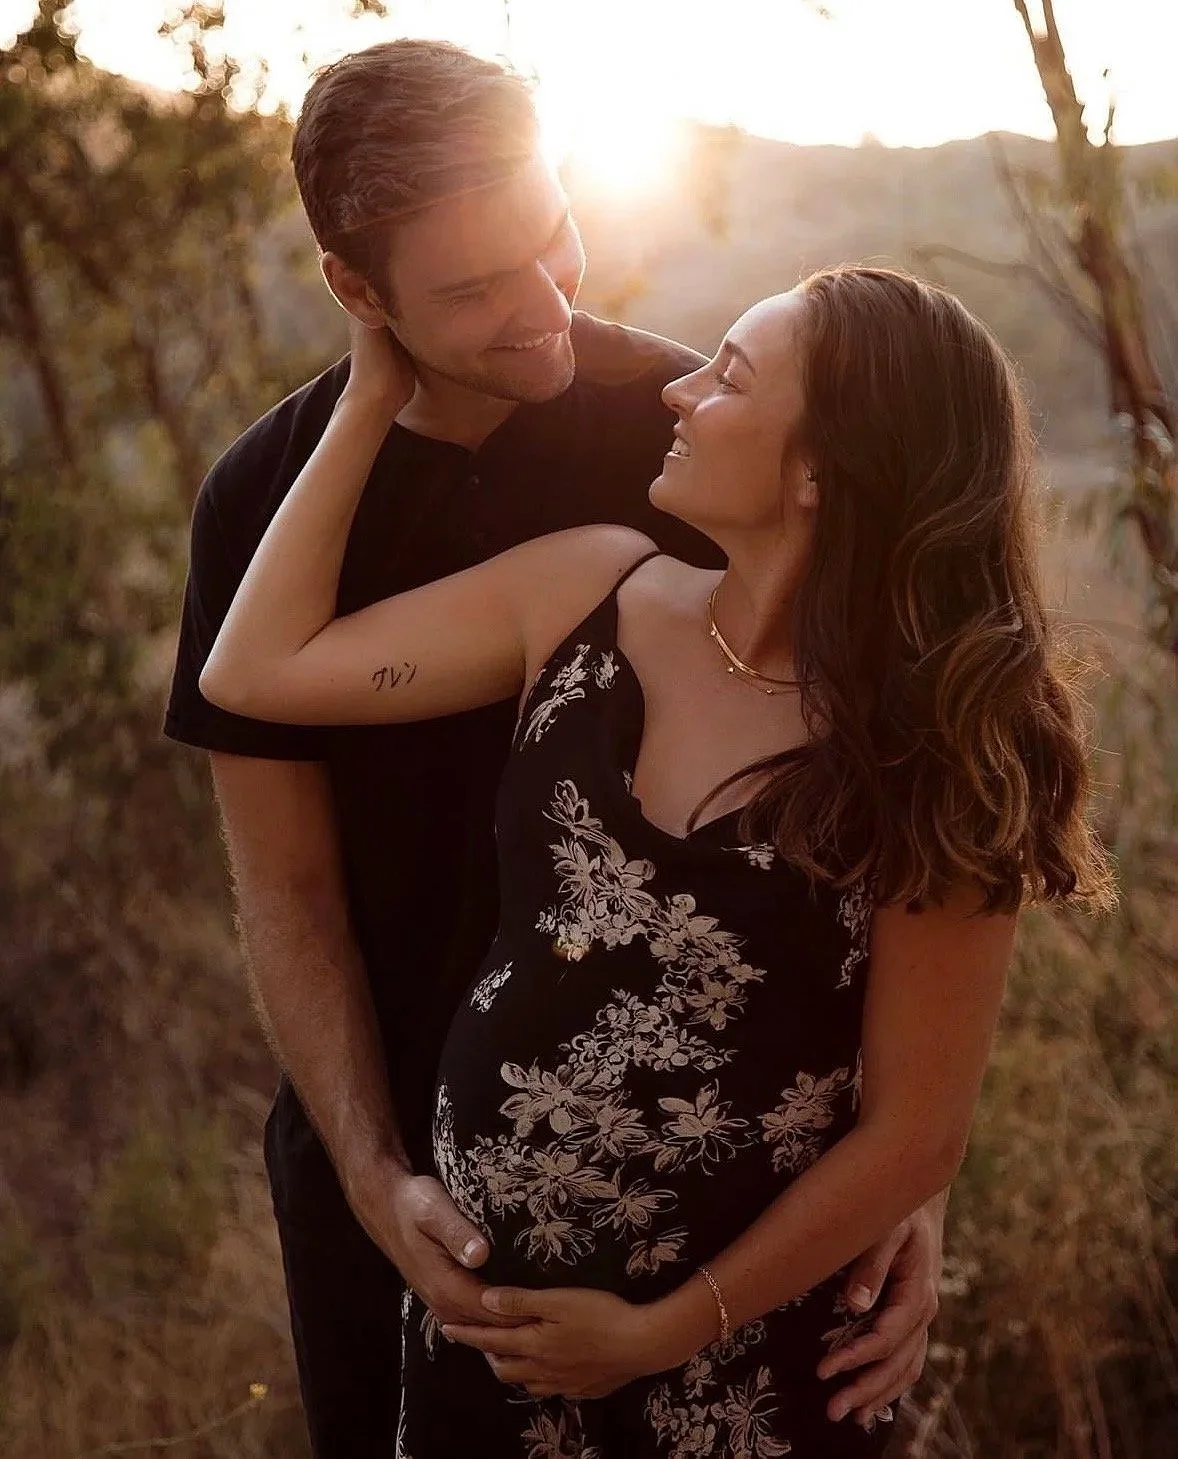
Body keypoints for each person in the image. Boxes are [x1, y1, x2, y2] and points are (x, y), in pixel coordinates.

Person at [166, 40, 945, 1456]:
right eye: (470, 289)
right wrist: (369, 1169)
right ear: (358, 293)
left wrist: (904, 1175)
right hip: (394, 1161)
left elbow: (887, 809)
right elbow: (283, 886)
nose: (546, 311)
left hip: (719, 1197)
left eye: (551, 238)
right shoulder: (259, 509)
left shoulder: (681, 440)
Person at [199, 266, 1112, 1457]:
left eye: (727, 378)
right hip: (489, 1346)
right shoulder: (587, 585)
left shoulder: (937, 747)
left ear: (817, 470)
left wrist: (666, 1331)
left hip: (746, 1374)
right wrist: (368, 392)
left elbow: (913, 1134)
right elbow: (252, 673)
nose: (680, 390)